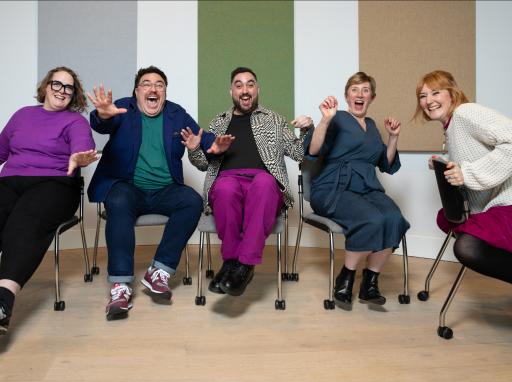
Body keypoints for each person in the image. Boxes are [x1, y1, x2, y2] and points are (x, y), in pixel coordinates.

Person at [87, 66, 233, 320]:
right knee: (118, 199)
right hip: (128, 187)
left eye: (159, 85)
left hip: (166, 189)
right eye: (146, 84)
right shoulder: (123, 108)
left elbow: (201, 137)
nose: (153, 89)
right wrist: (102, 115)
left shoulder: (176, 114)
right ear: (137, 91)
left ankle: (159, 271)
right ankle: (120, 286)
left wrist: (215, 146)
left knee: (191, 201)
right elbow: (102, 123)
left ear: (165, 92)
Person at [182, 67, 312, 297]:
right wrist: (194, 150)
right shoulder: (218, 123)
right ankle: (232, 263)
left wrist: (307, 130)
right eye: (239, 85)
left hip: (264, 183)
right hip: (228, 180)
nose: (245, 89)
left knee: (263, 182)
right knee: (224, 187)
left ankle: (245, 265)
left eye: (250, 84)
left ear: (257, 89)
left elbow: (299, 154)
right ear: (231, 91)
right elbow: (203, 163)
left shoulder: (274, 120)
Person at [0, 66, 97, 335]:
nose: (62, 91)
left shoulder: (75, 121)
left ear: (73, 95)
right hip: (10, 182)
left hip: (55, 184)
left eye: (68, 88)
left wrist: (79, 157)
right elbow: (1, 150)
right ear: (45, 87)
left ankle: (3, 302)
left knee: (24, 220)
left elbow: (81, 144)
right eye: (57, 84)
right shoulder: (22, 115)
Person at [304, 72, 410, 309]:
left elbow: (386, 163)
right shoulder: (338, 118)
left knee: (394, 219)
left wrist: (393, 138)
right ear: (346, 95)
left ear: (372, 97)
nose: (360, 94)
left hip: (366, 188)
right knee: (371, 219)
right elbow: (313, 150)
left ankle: (370, 283)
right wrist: (324, 120)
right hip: (333, 187)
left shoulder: (372, 126)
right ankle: (346, 277)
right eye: (354, 89)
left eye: (365, 90)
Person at [415, 70, 512, 283]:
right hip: (492, 205)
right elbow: (475, 154)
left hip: (508, 202)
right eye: (423, 96)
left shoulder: (466, 113)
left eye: (435, 93)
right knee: (454, 226)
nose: (428, 101)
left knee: (468, 247)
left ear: (452, 93)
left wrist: (467, 173)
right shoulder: (450, 127)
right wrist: (447, 166)